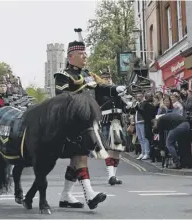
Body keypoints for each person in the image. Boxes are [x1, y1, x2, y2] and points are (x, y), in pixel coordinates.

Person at [54, 28, 126, 209]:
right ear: (71, 56)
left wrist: (115, 89)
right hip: (72, 124)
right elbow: (61, 96)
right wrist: (83, 84)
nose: (85, 56)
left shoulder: (88, 74)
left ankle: (65, 196)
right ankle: (90, 195)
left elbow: (101, 88)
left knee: (76, 159)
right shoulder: (62, 76)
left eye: (85, 53)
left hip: (88, 122)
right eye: (81, 53)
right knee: (80, 157)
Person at [97, 71, 125, 185]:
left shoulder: (118, 90)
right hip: (106, 122)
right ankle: (110, 176)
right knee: (109, 149)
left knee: (117, 150)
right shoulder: (99, 91)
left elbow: (125, 107)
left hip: (117, 122)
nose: (107, 79)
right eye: (104, 78)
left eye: (108, 78)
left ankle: (114, 176)